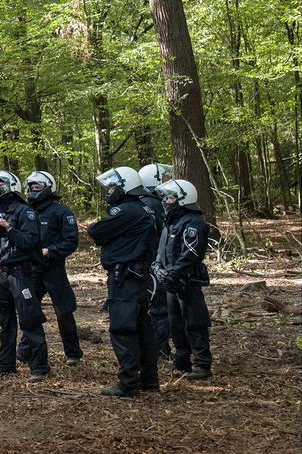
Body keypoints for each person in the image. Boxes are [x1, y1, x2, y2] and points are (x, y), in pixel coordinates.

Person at [86, 166, 160, 397]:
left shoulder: (126, 210)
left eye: (111, 187)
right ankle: (149, 378)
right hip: (138, 276)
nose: (109, 191)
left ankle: (128, 383)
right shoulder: (145, 208)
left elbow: (97, 232)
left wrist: (93, 227)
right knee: (142, 327)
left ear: (124, 186)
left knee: (123, 327)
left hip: (126, 277)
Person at [0, 170, 49, 380]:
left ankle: (39, 366)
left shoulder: (25, 212)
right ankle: (5, 364)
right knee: (5, 320)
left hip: (20, 274)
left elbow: (30, 242)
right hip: (0, 275)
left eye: (1, 185)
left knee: (29, 319)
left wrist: (9, 227)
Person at [154, 178, 213, 380]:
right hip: (171, 282)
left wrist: (174, 272)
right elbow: (161, 250)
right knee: (175, 323)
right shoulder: (170, 222)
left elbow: (191, 253)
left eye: (171, 198)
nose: (167, 201)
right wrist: (158, 267)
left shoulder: (193, 223)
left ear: (183, 198)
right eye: (166, 197)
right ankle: (181, 361)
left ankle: (202, 364)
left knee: (194, 322)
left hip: (188, 281)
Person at [21, 170, 82, 363]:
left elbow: (71, 241)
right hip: (32, 269)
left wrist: (50, 251)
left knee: (64, 311)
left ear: (49, 188)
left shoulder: (61, 212)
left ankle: (73, 353)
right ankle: (24, 352)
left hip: (54, 269)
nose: (33, 190)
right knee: (30, 311)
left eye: (37, 186)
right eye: (31, 187)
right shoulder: (26, 211)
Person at [137, 161, 174, 361]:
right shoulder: (154, 205)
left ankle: (152, 349)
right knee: (160, 308)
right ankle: (159, 350)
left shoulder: (142, 202)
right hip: (155, 263)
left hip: (145, 263)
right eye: (165, 178)